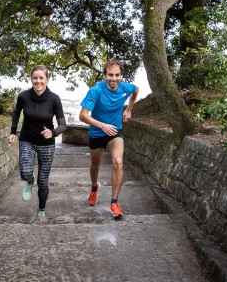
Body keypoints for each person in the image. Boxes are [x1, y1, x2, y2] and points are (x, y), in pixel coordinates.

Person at [79, 58, 139, 218]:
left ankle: (114, 202)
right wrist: (102, 125)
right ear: (105, 75)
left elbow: (136, 89)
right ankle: (94, 188)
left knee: (118, 162)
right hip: (97, 133)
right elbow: (83, 116)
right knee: (95, 165)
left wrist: (129, 109)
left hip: (115, 132)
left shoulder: (125, 87)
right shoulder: (96, 91)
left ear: (121, 75)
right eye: (110, 75)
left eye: (117, 75)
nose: (114, 79)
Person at [8, 65, 67, 218]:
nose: (38, 81)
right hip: (27, 139)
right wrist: (13, 132)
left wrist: (53, 132)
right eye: (35, 78)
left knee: (43, 182)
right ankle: (29, 181)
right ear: (31, 79)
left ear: (47, 79)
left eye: (41, 78)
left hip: (46, 144)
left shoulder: (54, 99)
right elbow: (16, 113)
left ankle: (41, 209)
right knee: (25, 172)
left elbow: (63, 125)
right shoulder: (23, 96)